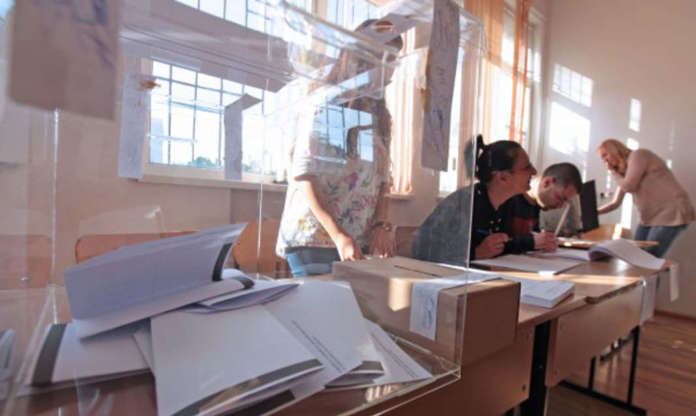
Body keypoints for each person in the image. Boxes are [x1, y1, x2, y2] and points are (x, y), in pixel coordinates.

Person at [275, 22, 403, 277]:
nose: (391, 70)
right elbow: (304, 174)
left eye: (394, 61)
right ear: (363, 58)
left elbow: (382, 181)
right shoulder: (326, 101)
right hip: (316, 239)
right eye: (387, 59)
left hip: (355, 240)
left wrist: (381, 225)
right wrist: (339, 235)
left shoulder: (376, 113)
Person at [413, 136, 536, 265]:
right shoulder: (462, 205)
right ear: (502, 177)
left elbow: (502, 245)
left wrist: (531, 243)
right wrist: (476, 253)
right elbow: (423, 251)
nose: (534, 171)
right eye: (527, 167)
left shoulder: (508, 203)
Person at [597, 138, 695, 257]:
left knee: (647, 257)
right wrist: (594, 213)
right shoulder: (625, 174)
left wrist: (613, 172)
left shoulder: (638, 155)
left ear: (614, 150)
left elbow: (629, 186)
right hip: (651, 217)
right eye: (602, 158)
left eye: (605, 155)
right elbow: (615, 203)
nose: (604, 160)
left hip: (671, 212)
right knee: (636, 256)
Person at [505, 162, 583, 252]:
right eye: (560, 198)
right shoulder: (508, 198)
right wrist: (531, 243)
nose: (560, 206)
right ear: (547, 182)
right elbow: (496, 244)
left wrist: (543, 243)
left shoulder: (536, 205)